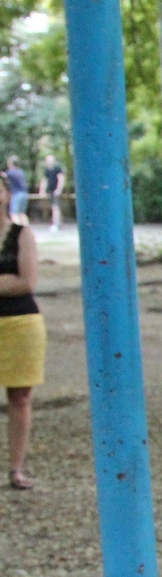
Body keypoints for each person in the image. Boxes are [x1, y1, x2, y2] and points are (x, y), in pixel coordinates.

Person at [0, 178, 40, 490]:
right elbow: (14, 280)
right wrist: (7, 280)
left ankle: (16, 468)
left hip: (20, 321)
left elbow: (26, 282)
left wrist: (14, 282)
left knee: (20, 396)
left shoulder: (21, 234)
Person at [39, 156, 63, 232]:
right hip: (50, 191)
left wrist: (58, 189)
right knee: (54, 207)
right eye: (48, 160)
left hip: (55, 191)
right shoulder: (46, 170)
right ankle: (58, 223)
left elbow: (61, 179)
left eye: (51, 160)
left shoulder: (57, 169)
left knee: (55, 207)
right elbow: (44, 180)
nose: (50, 162)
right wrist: (42, 190)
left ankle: (55, 224)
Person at [5, 157, 27, 226]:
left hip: (16, 194)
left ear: (11, 164)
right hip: (24, 194)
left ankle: (17, 232)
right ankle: (26, 229)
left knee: (14, 214)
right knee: (21, 214)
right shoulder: (21, 171)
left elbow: (3, 176)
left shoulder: (10, 172)